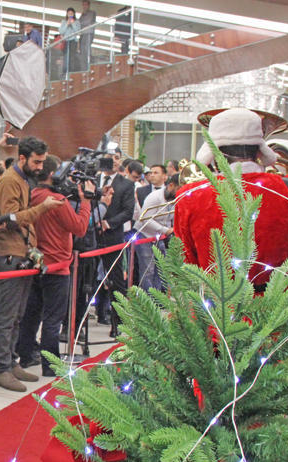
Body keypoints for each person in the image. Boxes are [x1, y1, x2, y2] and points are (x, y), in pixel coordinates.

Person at [175, 107, 288, 292]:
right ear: (260, 150)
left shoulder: (190, 195)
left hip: (215, 313)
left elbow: (186, 264)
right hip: (280, 310)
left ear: (213, 151)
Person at [0, 136, 63, 392]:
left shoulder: (21, 179)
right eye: (37, 161)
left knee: (18, 315)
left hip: (22, 252)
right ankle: (2, 368)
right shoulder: (9, 180)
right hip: (9, 253)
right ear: (23, 158)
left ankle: (11, 362)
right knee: (6, 315)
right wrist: (43, 208)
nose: (41, 167)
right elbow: (10, 219)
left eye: (42, 162)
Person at [16, 156, 91, 376]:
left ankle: (26, 355)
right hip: (57, 266)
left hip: (36, 263)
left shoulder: (31, 196)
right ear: (52, 174)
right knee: (52, 319)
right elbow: (79, 228)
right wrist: (86, 202)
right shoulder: (56, 200)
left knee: (32, 314)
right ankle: (50, 366)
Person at [97, 159, 139, 337]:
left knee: (116, 282)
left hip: (112, 237)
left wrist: (108, 223)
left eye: (116, 157)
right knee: (87, 281)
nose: (112, 160)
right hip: (89, 237)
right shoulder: (91, 179)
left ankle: (117, 323)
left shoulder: (126, 184)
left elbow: (128, 212)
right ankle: (80, 323)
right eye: (109, 156)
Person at [133, 164, 171, 290]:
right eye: (151, 172)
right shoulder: (143, 192)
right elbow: (144, 218)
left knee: (160, 268)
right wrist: (166, 230)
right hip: (144, 234)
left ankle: (158, 299)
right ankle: (146, 300)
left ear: (165, 177)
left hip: (160, 236)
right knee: (147, 269)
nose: (152, 175)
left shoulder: (171, 193)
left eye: (156, 172)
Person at [59, 8, 80, 75]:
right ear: (67, 14)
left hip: (73, 41)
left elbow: (78, 31)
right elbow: (61, 31)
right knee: (65, 57)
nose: (70, 15)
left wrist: (73, 23)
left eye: (71, 14)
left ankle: (71, 72)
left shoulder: (77, 22)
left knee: (72, 57)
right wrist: (67, 24)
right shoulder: (63, 21)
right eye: (69, 14)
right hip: (66, 41)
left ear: (73, 14)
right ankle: (64, 72)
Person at [78, 0, 96, 71]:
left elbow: (87, 21)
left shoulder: (92, 13)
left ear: (88, 5)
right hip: (82, 34)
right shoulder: (82, 14)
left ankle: (89, 67)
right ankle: (84, 69)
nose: (84, 6)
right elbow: (78, 23)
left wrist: (81, 23)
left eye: (86, 5)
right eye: (83, 5)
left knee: (86, 50)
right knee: (82, 51)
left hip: (88, 34)